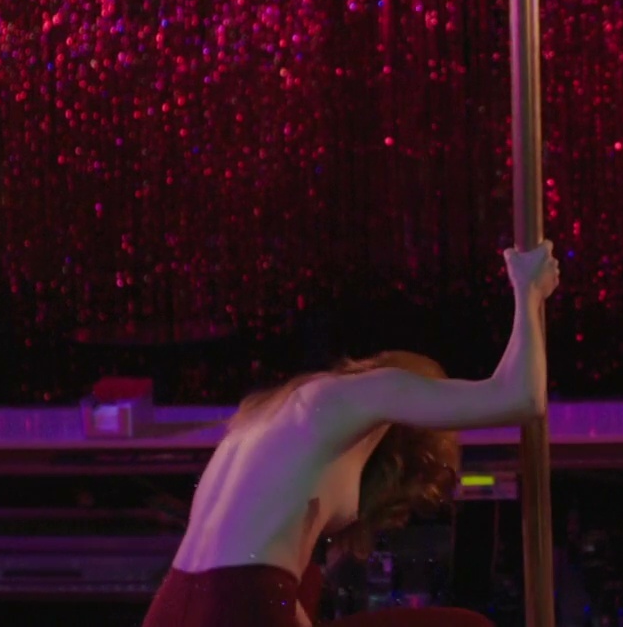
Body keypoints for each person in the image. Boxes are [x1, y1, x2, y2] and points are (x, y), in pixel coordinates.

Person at [142, 243, 560, 627]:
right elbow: (521, 398)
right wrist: (529, 291)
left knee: (308, 581)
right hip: (238, 605)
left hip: (172, 610)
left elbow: (271, 590)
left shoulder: (269, 420)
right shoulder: (365, 393)